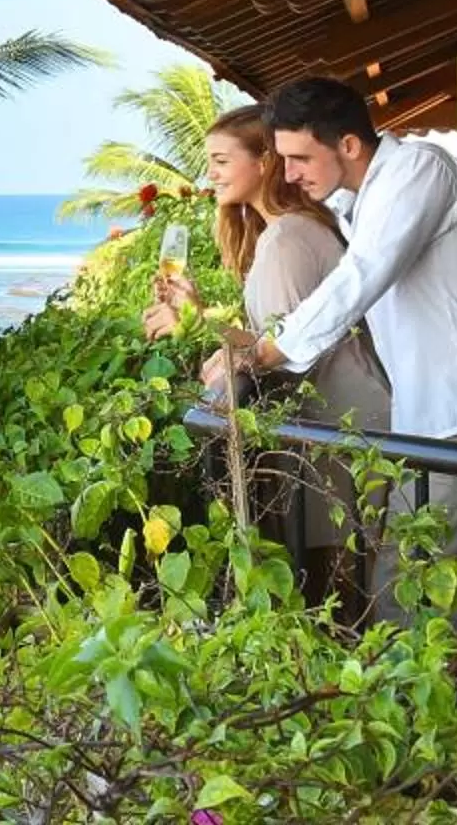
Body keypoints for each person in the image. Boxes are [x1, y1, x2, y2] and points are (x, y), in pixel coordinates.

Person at [206, 76, 457, 601]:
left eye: (299, 159)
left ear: (349, 146)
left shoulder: (420, 171)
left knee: (407, 603)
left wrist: (266, 351)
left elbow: (358, 278)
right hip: (437, 423)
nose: (288, 176)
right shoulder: (360, 201)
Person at [144, 104, 389, 585]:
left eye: (220, 160)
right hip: (333, 423)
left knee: (339, 579)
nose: (210, 174)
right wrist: (202, 321)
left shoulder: (287, 237)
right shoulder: (281, 232)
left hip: (338, 423)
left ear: (264, 162)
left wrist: (196, 326)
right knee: (339, 574)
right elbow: (278, 338)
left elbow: (291, 351)